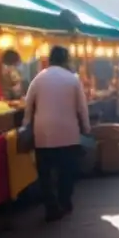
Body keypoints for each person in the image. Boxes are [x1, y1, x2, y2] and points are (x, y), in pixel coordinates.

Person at [23, 46, 91, 222]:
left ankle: (51, 207)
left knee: (44, 173)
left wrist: (26, 125)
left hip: (43, 133)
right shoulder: (73, 79)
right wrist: (86, 128)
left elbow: (28, 106)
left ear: (50, 59)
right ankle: (65, 202)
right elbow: (82, 108)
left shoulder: (38, 79)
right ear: (66, 59)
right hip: (68, 133)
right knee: (66, 171)